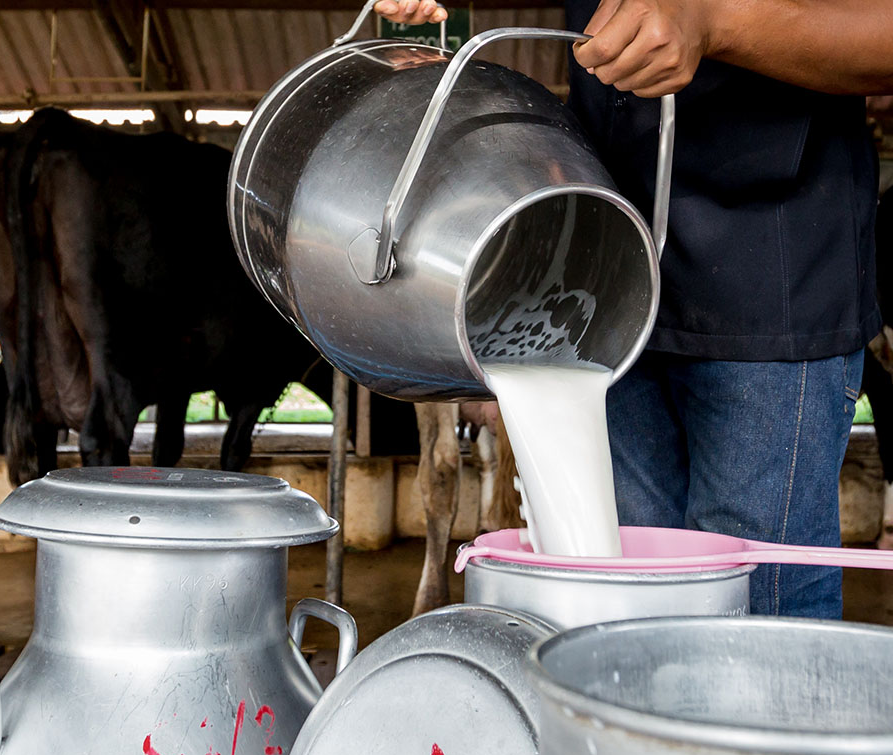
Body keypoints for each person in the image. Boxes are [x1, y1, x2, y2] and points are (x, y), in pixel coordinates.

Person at [373, 0, 893, 617]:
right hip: (600, 262)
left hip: (773, 271)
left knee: (757, 607)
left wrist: (715, 22)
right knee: (616, 598)